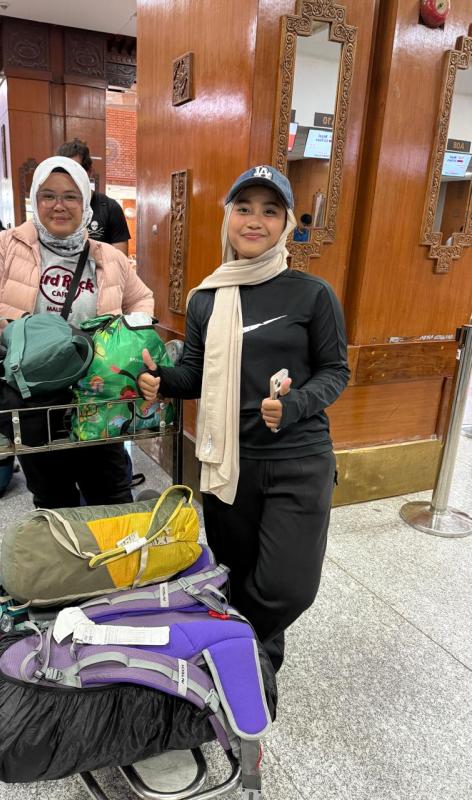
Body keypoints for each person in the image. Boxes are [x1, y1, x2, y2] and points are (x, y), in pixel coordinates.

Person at [138, 165, 349, 672]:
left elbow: (336, 371)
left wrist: (294, 404)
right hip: (229, 461)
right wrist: (161, 380)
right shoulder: (206, 298)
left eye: (270, 211)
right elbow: (195, 374)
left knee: (288, 587)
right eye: (244, 208)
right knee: (236, 572)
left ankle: (228, 643)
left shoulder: (312, 294)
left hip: (299, 459)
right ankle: (254, 676)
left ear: (286, 224)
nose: (255, 220)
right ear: (228, 217)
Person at [0, 156, 154, 508]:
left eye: (70, 196)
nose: (59, 206)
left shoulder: (108, 257)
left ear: (85, 202)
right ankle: (62, 543)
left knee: (112, 493)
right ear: (35, 199)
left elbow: (142, 299)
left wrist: (129, 345)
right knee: (52, 496)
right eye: (48, 196)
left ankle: (111, 543)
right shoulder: (8, 245)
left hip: (97, 394)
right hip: (34, 395)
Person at [57, 139, 131, 255]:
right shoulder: (55, 208)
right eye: (64, 171)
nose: (69, 176)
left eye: (75, 170)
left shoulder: (110, 208)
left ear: (89, 171)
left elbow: (120, 260)